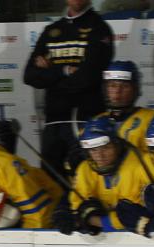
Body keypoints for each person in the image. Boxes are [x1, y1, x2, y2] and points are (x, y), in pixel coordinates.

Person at [23, 0, 113, 181]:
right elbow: (29, 76)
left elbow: (87, 78)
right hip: (54, 121)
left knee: (87, 180)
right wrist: (64, 71)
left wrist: (49, 74)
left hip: (87, 121)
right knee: (51, 181)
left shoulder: (99, 28)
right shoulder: (51, 30)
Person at [54, 118, 151, 236]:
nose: (100, 156)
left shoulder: (137, 165)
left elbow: (131, 217)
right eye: (93, 150)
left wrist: (94, 220)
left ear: (117, 144)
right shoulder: (85, 168)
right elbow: (78, 205)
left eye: (105, 148)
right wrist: (82, 214)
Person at [94, 61, 154, 154]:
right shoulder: (96, 122)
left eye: (124, 86)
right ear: (105, 89)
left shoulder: (151, 120)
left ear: (135, 90)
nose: (117, 91)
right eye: (112, 85)